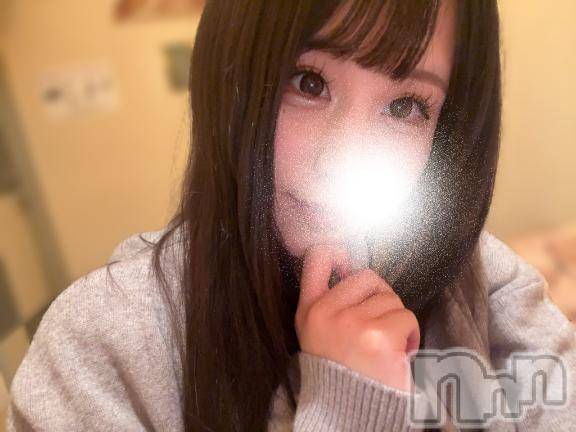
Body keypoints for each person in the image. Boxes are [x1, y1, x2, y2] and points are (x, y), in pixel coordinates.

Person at [6, 0, 576, 431]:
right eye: (309, 83)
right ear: (232, 82)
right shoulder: (102, 343)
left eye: (406, 106)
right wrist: (351, 408)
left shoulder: (481, 280)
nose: (343, 158)